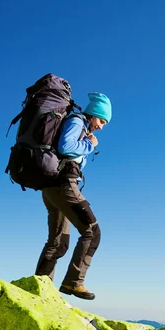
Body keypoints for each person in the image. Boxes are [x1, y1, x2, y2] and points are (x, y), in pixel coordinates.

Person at [34, 92, 112, 300]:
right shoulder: (77, 121)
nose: (101, 126)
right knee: (92, 232)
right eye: (101, 120)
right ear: (93, 114)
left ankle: (41, 286)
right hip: (64, 186)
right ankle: (73, 282)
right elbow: (66, 146)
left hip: (51, 188)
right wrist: (90, 145)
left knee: (58, 241)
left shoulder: (77, 124)